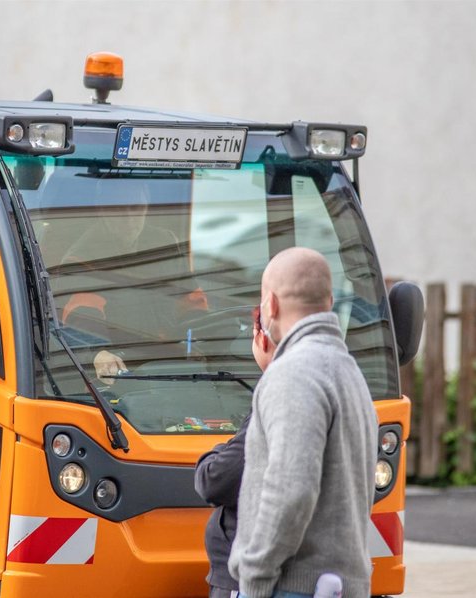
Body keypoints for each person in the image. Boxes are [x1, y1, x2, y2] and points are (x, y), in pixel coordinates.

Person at [228, 247, 378, 598]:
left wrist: (254, 576)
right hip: (338, 584)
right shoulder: (350, 371)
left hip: (293, 587)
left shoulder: (293, 374)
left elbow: (291, 489)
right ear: (328, 301)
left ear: (271, 305)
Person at [55, 178, 205, 384]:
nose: (129, 218)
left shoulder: (166, 244)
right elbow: (82, 317)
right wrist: (97, 353)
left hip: (173, 364)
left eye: (136, 208)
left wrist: (206, 337)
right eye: (118, 209)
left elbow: (192, 300)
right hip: (122, 370)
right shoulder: (82, 259)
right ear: (101, 211)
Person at [194, 306, 276, 598]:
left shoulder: (277, 393)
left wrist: (213, 454)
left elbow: (218, 479)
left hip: (248, 577)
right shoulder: (339, 380)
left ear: (262, 339)